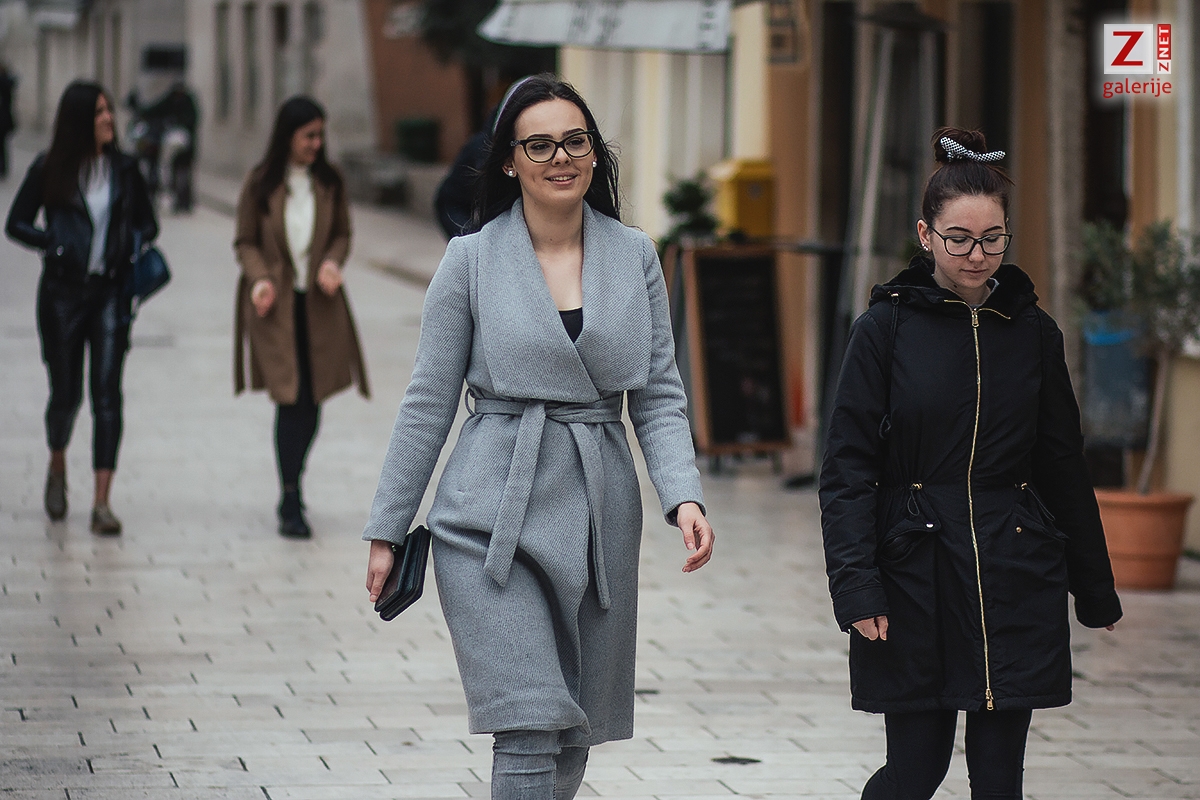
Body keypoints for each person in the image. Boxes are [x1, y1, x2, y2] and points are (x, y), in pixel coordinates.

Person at [362, 74, 715, 800]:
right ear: (508, 160)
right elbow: (428, 402)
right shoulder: (470, 260)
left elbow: (658, 393)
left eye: (575, 141)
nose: (561, 157)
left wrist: (684, 496)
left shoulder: (635, 255)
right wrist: (387, 529)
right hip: (487, 520)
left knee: (571, 734)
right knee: (528, 721)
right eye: (540, 145)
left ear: (595, 153)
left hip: (598, 518)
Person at [819, 127, 1123, 800]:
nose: (977, 255)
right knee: (915, 771)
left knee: (998, 780)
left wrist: (1094, 587)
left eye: (992, 239)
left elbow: (1062, 466)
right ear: (926, 235)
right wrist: (856, 587)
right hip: (915, 576)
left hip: (1014, 570)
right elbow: (847, 470)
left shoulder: (1035, 333)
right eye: (958, 239)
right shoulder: (884, 330)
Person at [5, 81, 158, 534]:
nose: (109, 119)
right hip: (62, 296)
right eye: (98, 113)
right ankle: (57, 463)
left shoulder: (125, 169)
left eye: (109, 110)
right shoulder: (50, 167)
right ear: (78, 122)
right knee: (66, 395)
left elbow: (149, 223)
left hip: (110, 293)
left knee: (107, 395)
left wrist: (130, 243)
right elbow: (15, 223)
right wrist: (51, 244)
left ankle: (102, 503)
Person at [233, 96, 369, 539]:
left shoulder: (330, 181)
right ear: (287, 136)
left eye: (320, 135)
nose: (316, 144)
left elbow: (343, 233)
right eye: (309, 135)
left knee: (312, 401)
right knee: (290, 399)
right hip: (275, 310)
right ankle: (290, 496)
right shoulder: (260, 183)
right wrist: (259, 279)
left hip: (320, 308)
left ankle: (294, 480)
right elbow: (245, 241)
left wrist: (331, 262)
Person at [0, 64, 16, 179]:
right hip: (6, 119)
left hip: (3, 119)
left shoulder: (4, 83)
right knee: (3, 144)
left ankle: (2, 167)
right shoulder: (9, 82)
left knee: (2, 144)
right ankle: (3, 167)